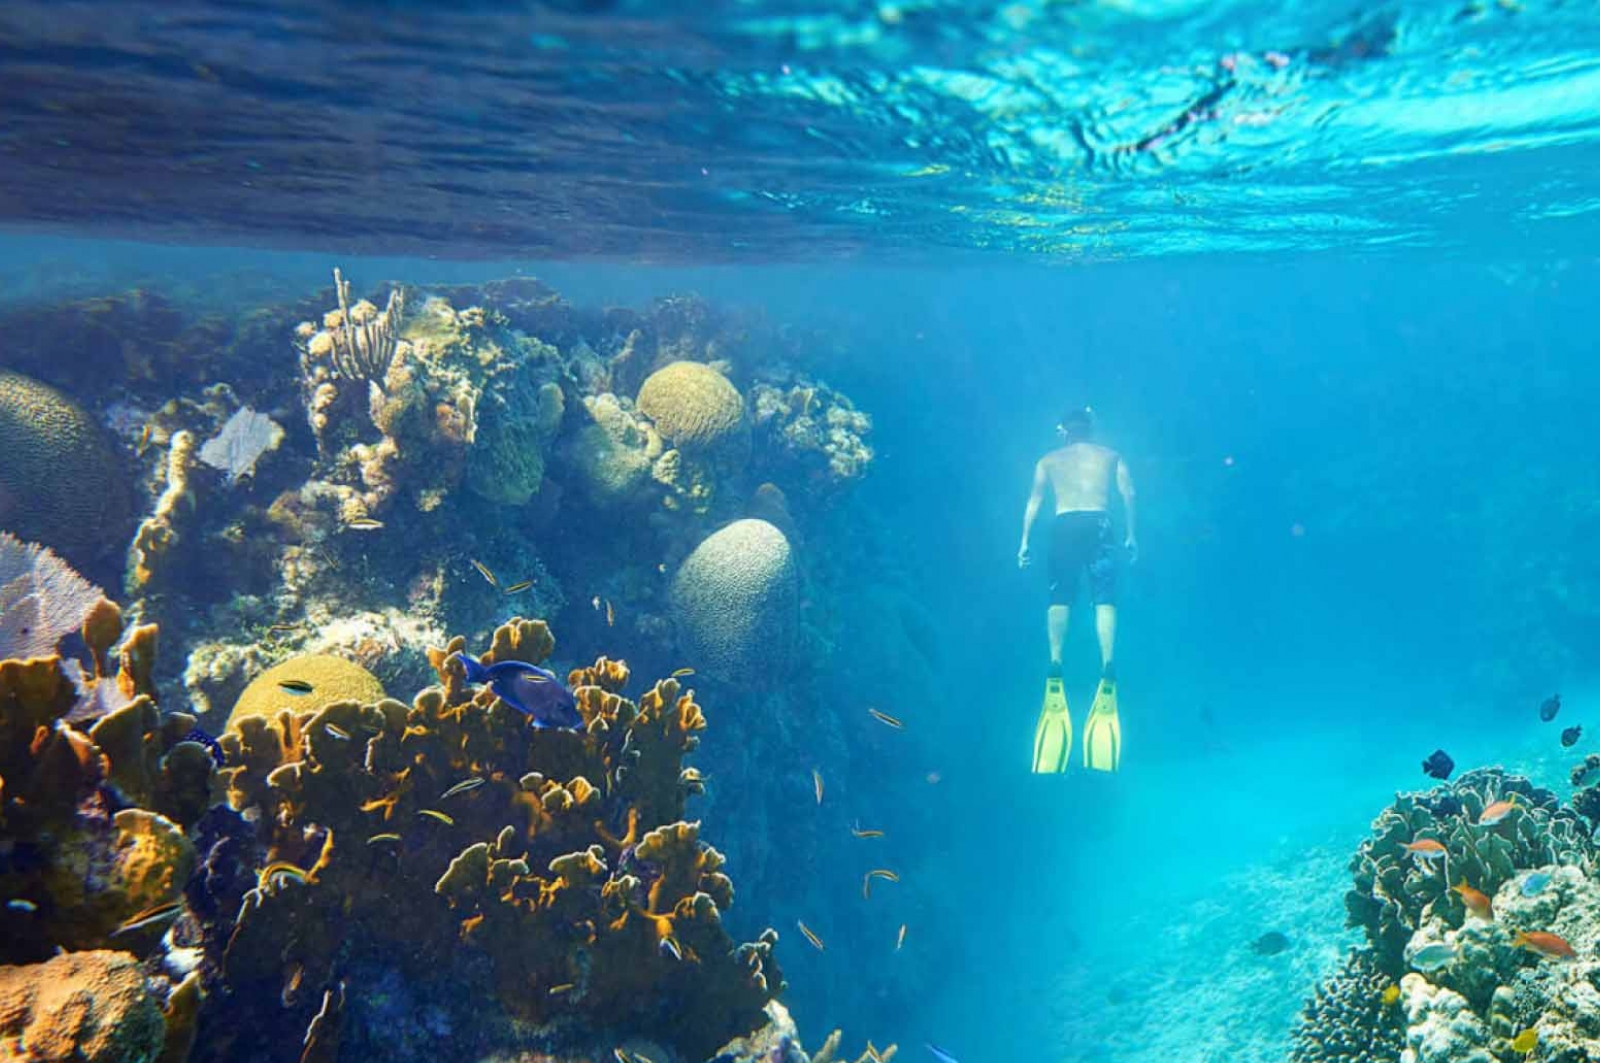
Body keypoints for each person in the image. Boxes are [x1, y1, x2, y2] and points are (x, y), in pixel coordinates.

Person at [1017, 406, 1136, 772]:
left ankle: (1055, 661)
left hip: (1064, 525)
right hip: (1099, 523)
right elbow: (1128, 494)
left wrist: (1023, 542)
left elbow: (1034, 501)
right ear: (1091, 428)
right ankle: (1107, 664)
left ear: (1063, 431)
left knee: (1060, 597)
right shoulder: (1111, 456)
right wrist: (1132, 533)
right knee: (1105, 599)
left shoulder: (1049, 459)